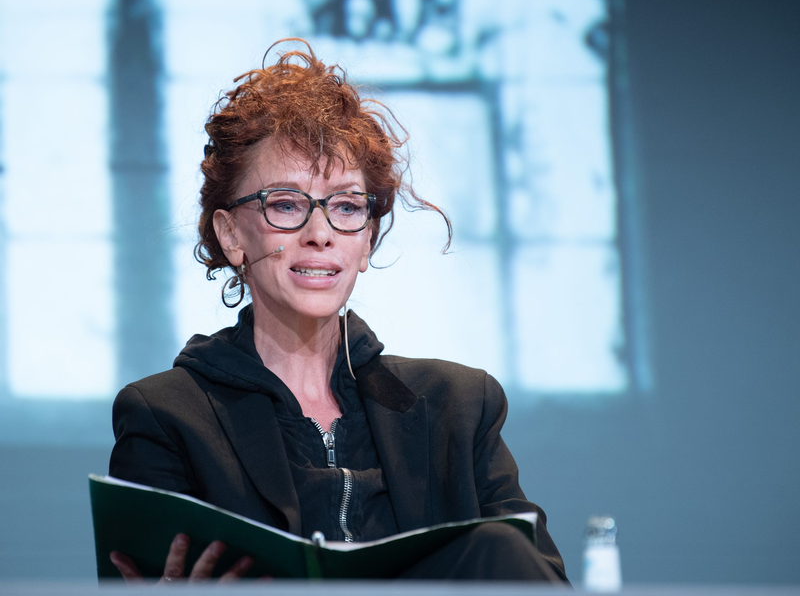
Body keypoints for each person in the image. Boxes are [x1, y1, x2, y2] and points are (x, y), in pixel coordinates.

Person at [108, 39, 568, 583]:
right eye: (285, 204)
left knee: (498, 546)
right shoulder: (166, 417)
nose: (320, 234)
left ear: (367, 240)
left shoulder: (461, 408)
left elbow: (538, 579)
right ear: (231, 234)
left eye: (347, 207)